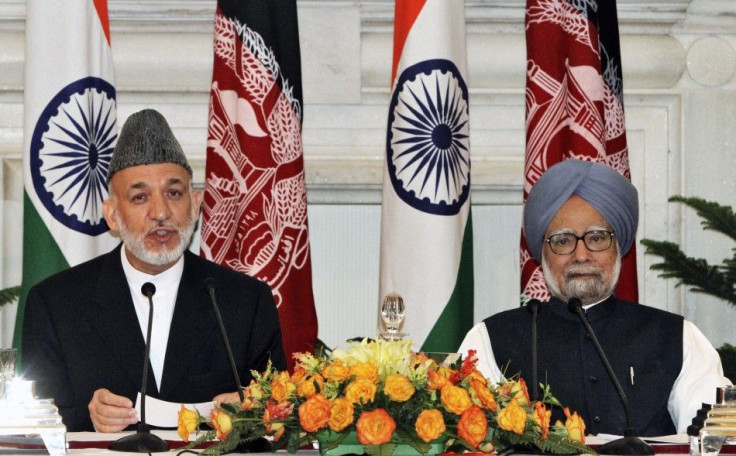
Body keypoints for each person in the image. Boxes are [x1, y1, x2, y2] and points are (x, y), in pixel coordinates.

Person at [21, 109, 287, 432]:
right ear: (113, 216)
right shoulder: (56, 305)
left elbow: (279, 415)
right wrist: (86, 416)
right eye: (140, 196)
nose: (160, 212)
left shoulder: (245, 302)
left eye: (174, 193)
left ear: (196, 202)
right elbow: (36, 430)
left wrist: (251, 412)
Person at [459, 159, 731, 436]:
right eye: (563, 241)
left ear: (618, 248)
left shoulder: (676, 337)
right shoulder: (491, 339)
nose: (581, 255)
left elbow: (713, 442)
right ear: (542, 256)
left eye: (597, 238)